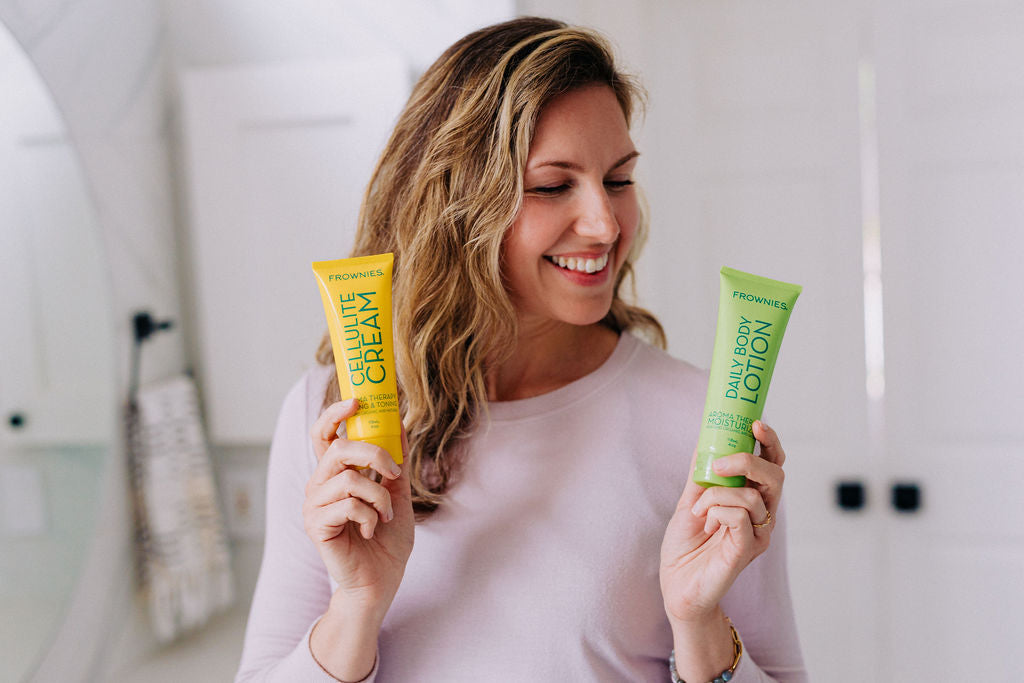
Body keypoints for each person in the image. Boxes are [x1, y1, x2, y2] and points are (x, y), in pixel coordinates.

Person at [236, 16, 806, 683]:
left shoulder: (701, 422)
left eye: (618, 179)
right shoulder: (333, 418)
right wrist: (355, 607)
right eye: (553, 184)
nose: (604, 224)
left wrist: (698, 622)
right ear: (458, 203)